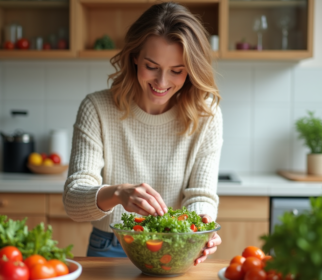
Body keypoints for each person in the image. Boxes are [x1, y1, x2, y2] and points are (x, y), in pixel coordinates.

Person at [63, 2, 223, 265]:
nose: (162, 82)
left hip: (177, 246)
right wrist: (117, 193)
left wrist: (200, 230)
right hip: (111, 247)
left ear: (191, 71)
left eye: (176, 71)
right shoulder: (97, 108)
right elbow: (73, 199)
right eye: (151, 66)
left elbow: (201, 196)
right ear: (135, 56)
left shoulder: (206, 114)